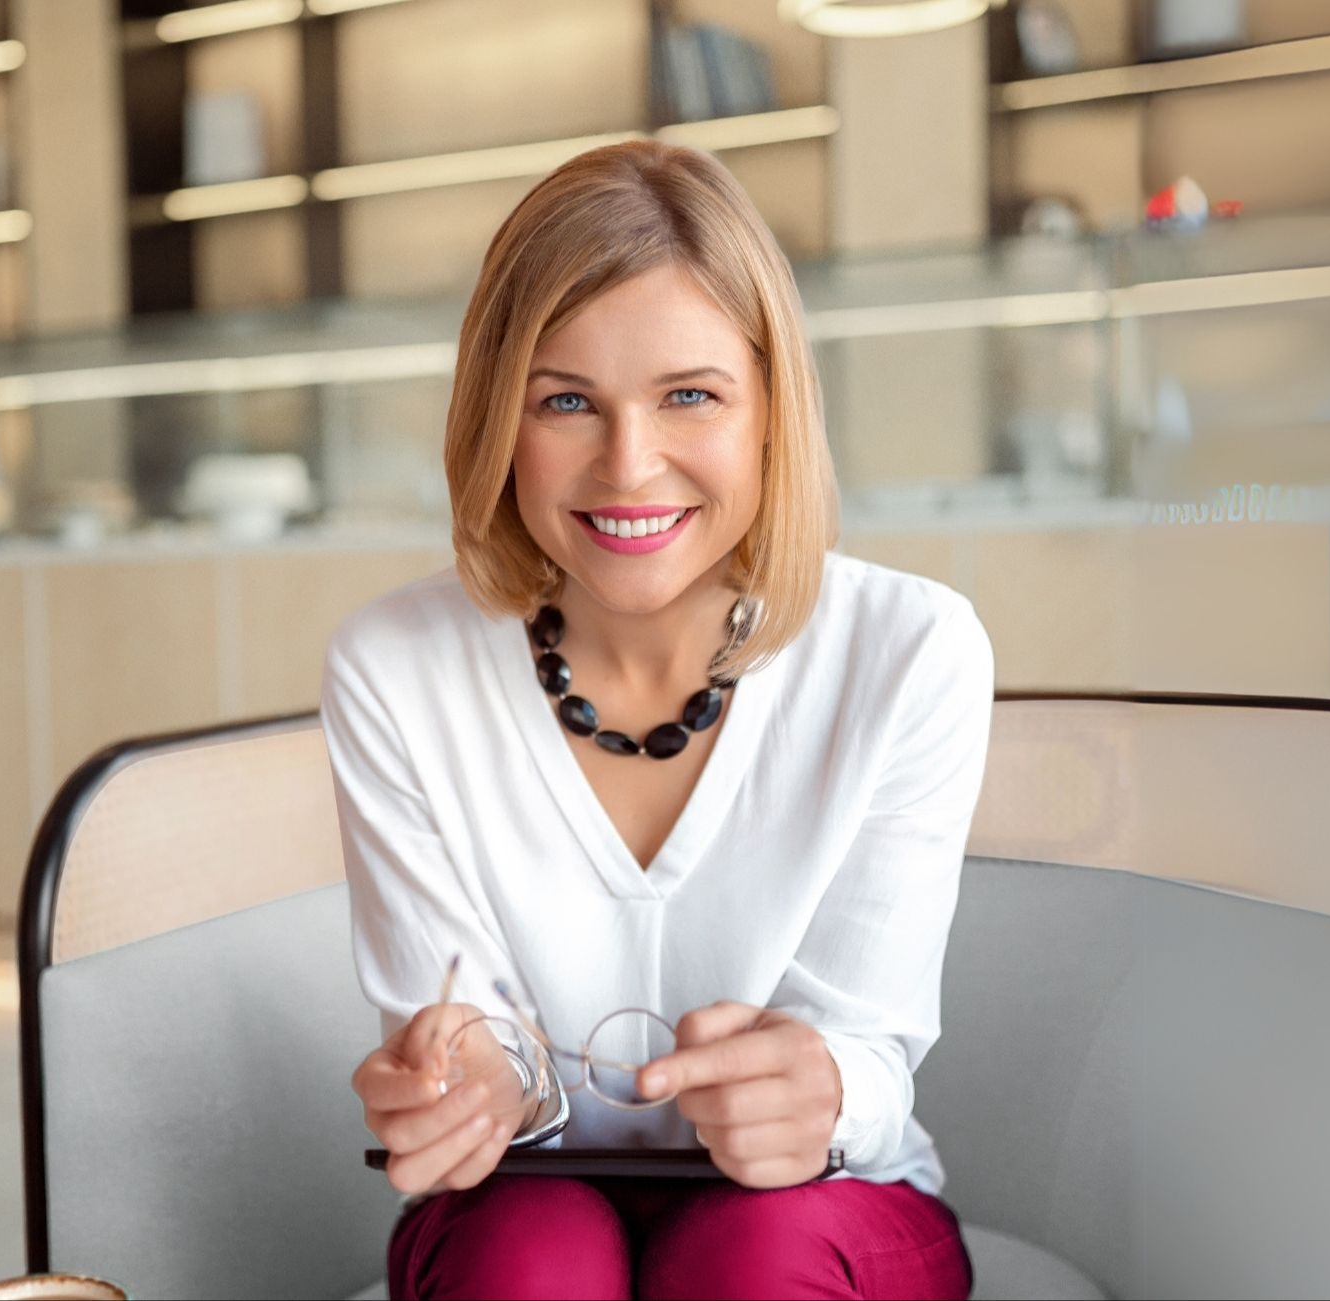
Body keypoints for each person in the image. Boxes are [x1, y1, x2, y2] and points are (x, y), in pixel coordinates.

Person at [319, 138, 994, 1301]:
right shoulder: (392, 664)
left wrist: (823, 1086)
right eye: (565, 401)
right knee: (526, 1262)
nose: (629, 467)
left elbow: (871, 1053)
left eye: (689, 395)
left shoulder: (908, 650)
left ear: (770, 409)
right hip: (525, 1198)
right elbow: (464, 1024)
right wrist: (469, 1083)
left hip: (823, 1206)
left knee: (750, 1258)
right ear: (498, 423)